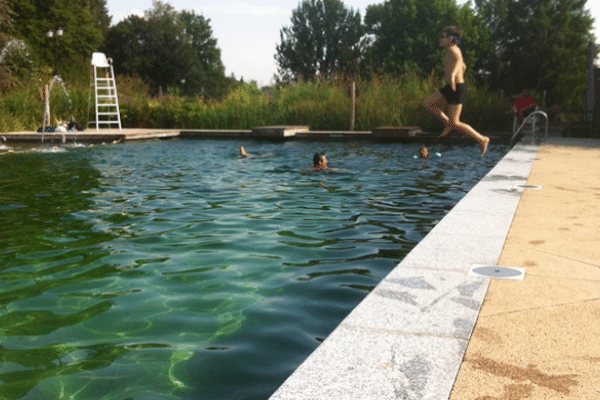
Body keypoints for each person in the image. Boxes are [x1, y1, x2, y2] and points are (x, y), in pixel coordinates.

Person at [422, 26, 490, 157]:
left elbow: (459, 61)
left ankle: (482, 139)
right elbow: (463, 65)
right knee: (427, 103)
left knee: (456, 122)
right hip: (450, 87)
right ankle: (447, 123)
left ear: (451, 39)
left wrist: (453, 75)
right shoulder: (450, 51)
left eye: (442, 37)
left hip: (457, 87)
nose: (440, 39)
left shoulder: (454, 49)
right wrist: (460, 70)